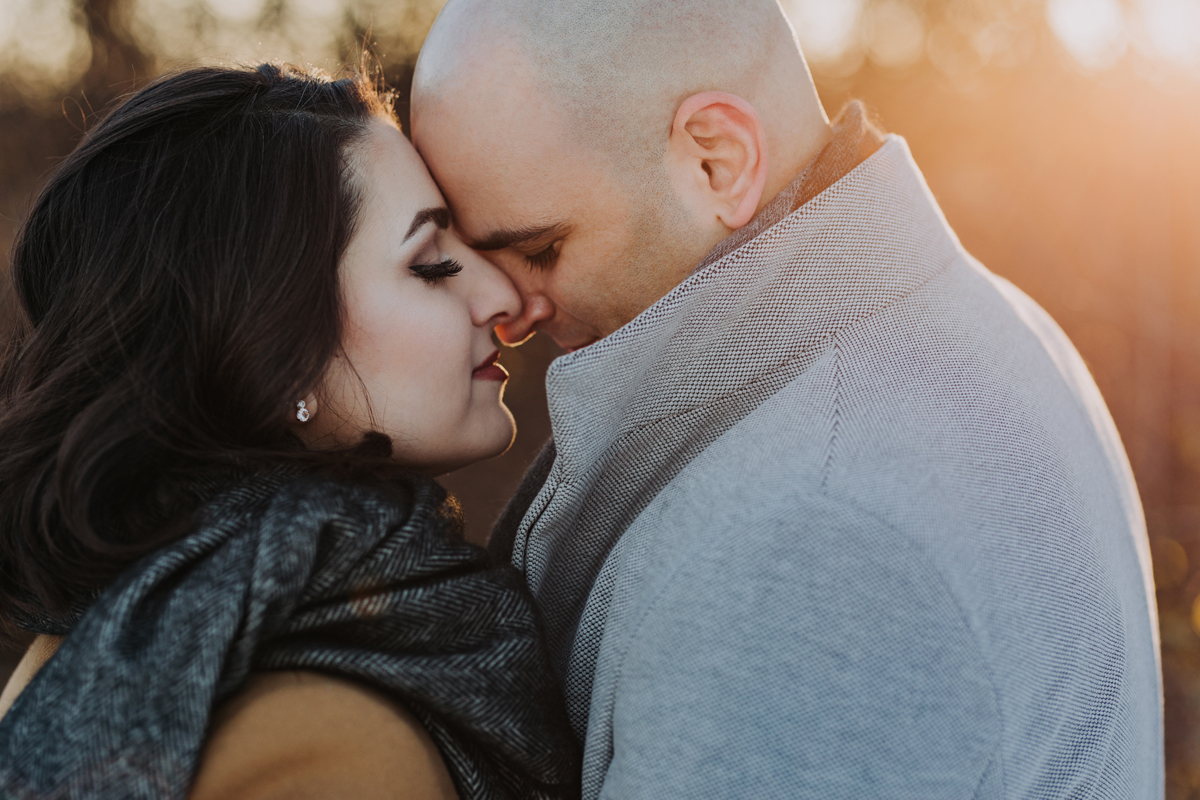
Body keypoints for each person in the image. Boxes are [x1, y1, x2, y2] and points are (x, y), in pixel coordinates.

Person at [409, 0, 1165, 797]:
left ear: (718, 161)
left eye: (539, 249)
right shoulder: (985, 318)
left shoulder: (809, 538)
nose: (510, 308)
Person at [0, 63, 579, 799]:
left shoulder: (113, 635)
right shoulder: (328, 751)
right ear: (274, 352)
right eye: (431, 265)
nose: (501, 295)